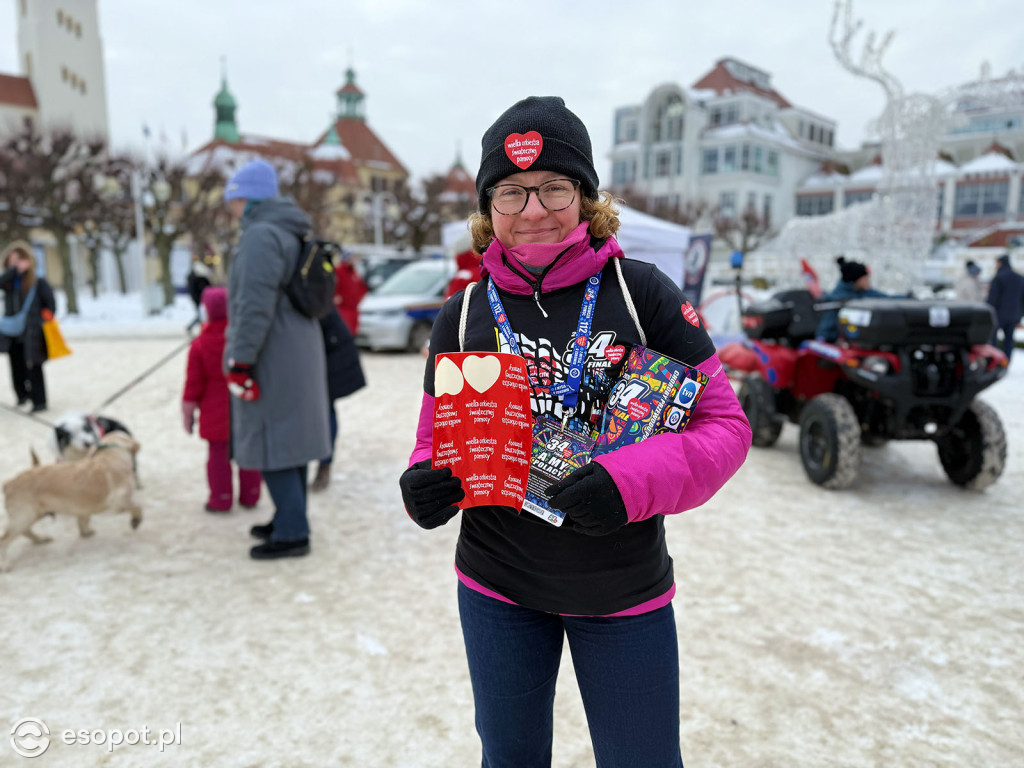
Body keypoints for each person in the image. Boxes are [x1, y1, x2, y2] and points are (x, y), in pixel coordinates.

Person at [398, 96, 752, 767]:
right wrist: (424, 482)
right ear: (488, 208)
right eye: (510, 192)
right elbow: (434, 438)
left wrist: (627, 483)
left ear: (587, 197)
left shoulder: (643, 293)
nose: (533, 210)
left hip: (620, 590)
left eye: (554, 187)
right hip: (496, 583)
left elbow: (724, 427)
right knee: (509, 759)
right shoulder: (463, 311)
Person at [222, 159, 331, 560]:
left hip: (273, 352)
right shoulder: (286, 229)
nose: (230, 207)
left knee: (273, 442)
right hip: (295, 346)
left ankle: (292, 531)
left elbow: (253, 305)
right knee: (291, 442)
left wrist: (241, 360)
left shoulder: (260, 235)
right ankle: (289, 515)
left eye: (232, 198)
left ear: (245, 197)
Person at [182, 286, 262, 512]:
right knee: (249, 452)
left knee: (218, 456)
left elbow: (193, 384)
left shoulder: (199, 345)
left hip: (214, 410)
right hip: (245, 404)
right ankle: (251, 494)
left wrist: (187, 413)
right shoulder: (243, 340)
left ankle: (221, 497)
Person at [310, 306, 366, 492]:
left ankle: (324, 465)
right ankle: (322, 463)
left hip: (332, 356)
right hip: (328, 352)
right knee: (325, 410)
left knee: (326, 411)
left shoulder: (307, 291)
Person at [1, 241, 56, 412]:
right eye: (13, 260)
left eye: (20, 260)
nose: (16, 263)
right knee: (16, 366)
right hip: (12, 332)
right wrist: (13, 271)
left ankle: (39, 401)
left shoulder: (37, 282)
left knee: (34, 366)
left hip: (32, 332)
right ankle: (22, 396)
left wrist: (41, 321)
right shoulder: (9, 282)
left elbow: (50, 305)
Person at [815, 256, 896, 342]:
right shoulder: (838, 300)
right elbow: (825, 331)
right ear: (856, 280)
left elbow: (887, 298)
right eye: (865, 278)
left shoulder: (864, 292)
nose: (868, 281)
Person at [986, 253, 1024, 360]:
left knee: (993, 339)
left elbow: (992, 299)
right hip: (1014, 315)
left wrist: (988, 313)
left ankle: (995, 361)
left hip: (998, 315)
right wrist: (1020, 315)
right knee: (1009, 340)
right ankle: (1006, 361)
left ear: (1000, 263)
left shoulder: (998, 278)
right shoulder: (1019, 278)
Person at [332, 253, 368, 335]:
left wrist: (359, 298)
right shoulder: (338, 271)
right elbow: (331, 286)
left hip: (354, 309)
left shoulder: (354, 272)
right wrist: (335, 296)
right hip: (343, 309)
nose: (353, 261)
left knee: (353, 333)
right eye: (351, 258)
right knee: (343, 333)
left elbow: (362, 287)